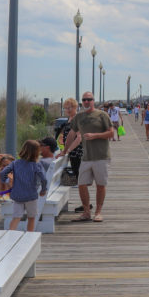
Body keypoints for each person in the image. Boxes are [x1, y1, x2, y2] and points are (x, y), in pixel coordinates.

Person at [62, 91, 113, 222]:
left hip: (101, 156)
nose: (86, 102)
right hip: (86, 157)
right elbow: (71, 134)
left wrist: (95, 136)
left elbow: (111, 133)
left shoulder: (102, 115)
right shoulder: (79, 117)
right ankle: (86, 212)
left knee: (100, 185)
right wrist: (65, 150)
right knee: (81, 184)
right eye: (84, 100)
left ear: (93, 100)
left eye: (88, 99)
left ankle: (98, 212)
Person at [0, 140, 48, 232]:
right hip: (31, 196)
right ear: (36, 152)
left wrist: (6, 181)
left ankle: (11, 235)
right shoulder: (36, 165)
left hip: (17, 195)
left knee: (16, 217)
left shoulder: (15, 163)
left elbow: (3, 173)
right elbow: (44, 179)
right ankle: (29, 236)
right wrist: (43, 190)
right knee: (31, 218)